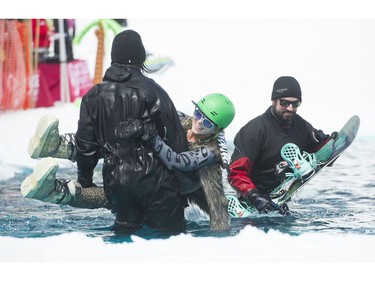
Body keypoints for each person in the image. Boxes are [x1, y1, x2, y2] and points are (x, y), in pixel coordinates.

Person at [23, 29, 190, 235]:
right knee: (172, 241)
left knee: (124, 241)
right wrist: (187, 185)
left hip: (117, 185)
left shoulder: (93, 96)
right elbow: (175, 140)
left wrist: (85, 181)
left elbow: (86, 146)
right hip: (158, 185)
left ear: (113, 58)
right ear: (141, 57)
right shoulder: (154, 92)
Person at [22, 93, 236, 231]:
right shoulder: (183, 119)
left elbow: (178, 162)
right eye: (198, 112)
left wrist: (152, 136)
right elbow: (155, 111)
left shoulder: (211, 152)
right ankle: (58, 146)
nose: (199, 122)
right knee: (119, 143)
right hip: (149, 173)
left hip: (167, 194)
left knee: (113, 195)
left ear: (217, 129)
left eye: (207, 122)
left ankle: (54, 192)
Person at [228, 76, 335, 215]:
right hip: (254, 201)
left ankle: (300, 166)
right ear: (274, 100)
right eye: (284, 103)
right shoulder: (254, 130)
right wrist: (253, 196)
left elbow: (323, 158)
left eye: (295, 104)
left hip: (281, 199)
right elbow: (235, 172)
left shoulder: (300, 125)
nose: (290, 108)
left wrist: (327, 144)